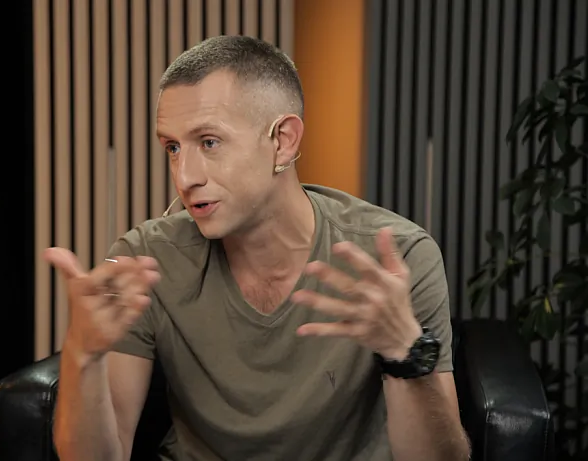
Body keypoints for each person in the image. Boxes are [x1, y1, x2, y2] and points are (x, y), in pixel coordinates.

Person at [44, 35, 470, 461]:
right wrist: (83, 354)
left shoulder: (398, 256)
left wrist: (406, 353)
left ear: (283, 141)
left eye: (209, 142)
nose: (185, 177)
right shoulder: (146, 259)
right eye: (173, 147)